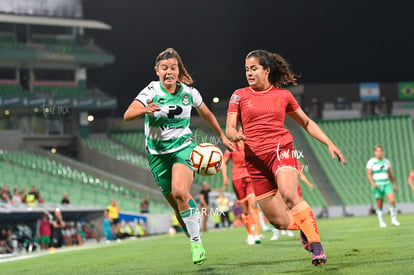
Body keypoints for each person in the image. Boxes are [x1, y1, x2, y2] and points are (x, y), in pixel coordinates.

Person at [226, 49, 345, 266]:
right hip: (255, 162)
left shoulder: (283, 96)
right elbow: (230, 129)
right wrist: (235, 135)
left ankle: (316, 246)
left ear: (267, 70)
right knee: (278, 222)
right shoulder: (239, 95)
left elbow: (307, 123)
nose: (249, 73)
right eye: (246, 69)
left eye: (254, 68)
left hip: (282, 151)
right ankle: (303, 226)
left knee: (290, 194)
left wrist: (329, 143)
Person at [123, 48, 233, 265]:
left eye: (173, 68)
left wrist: (222, 135)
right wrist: (144, 110)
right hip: (157, 155)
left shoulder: (189, 93)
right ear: (157, 71)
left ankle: (196, 242)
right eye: (164, 68)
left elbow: (207, 113)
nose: (169, 72)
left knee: (181, 192)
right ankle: (192, 236)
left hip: (183, 149)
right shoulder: (150, 91)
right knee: (177, 206)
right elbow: (127, 115)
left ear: (178, 70)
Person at [222, 128, 261, 244]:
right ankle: (249, 234)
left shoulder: (251, 145)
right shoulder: (231, 146)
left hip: (250, 178)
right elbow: (224, 162)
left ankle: (257, 235)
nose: (241, 133)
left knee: (253, 205)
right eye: (240, 130)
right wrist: (225, 177)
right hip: (237, 179)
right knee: (244, 210)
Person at [366, 145, 400, 228]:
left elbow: (390, 174)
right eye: (377, 151)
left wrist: (394, 183)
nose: (379, 152)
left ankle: (394, 219)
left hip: (387, 183)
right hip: (377, 184)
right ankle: (381, 221)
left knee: (392, 200)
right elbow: (369, 174)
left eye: (381, 151)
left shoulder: (386, 162)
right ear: (375, 152)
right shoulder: (371, 162)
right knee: (379, 203)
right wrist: (372, 183)